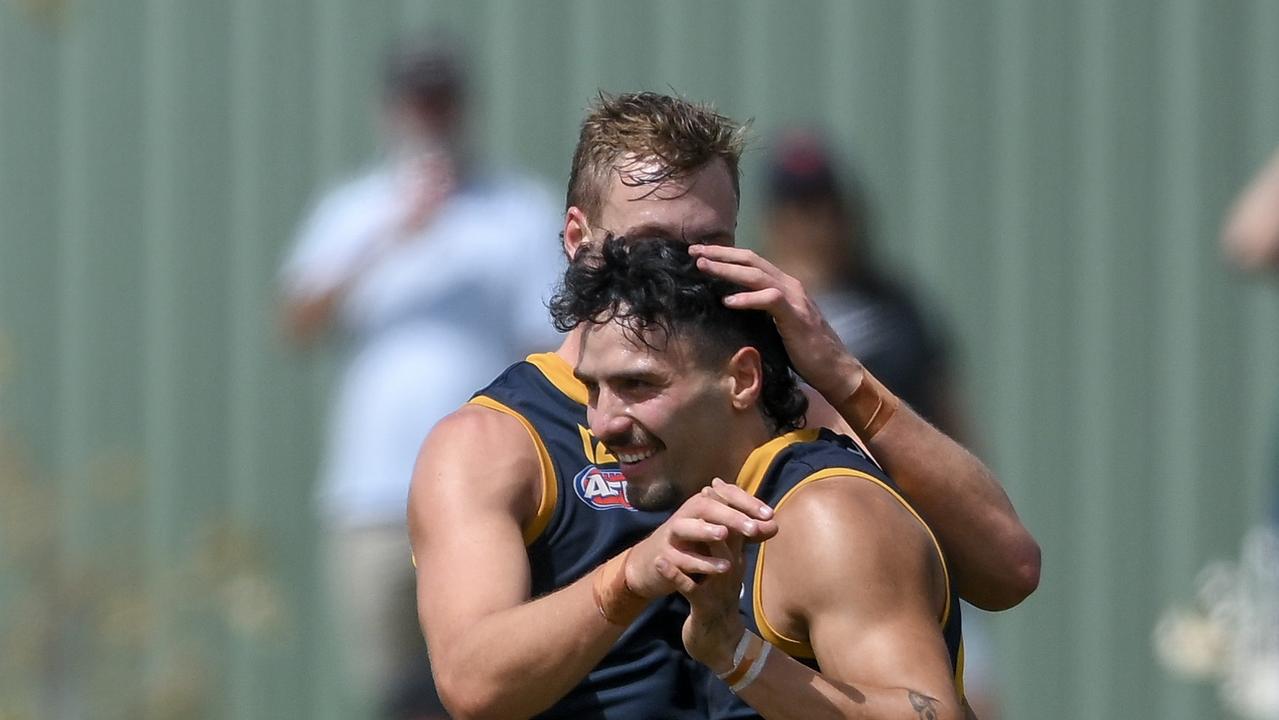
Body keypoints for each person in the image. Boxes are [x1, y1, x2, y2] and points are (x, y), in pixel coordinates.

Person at [409, 92, 1039, 720]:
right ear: (579, 241)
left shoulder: (782, 412)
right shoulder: (497, 439)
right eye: (654, 244)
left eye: (711, 245)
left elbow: (1008, 569)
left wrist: (842, 372)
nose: (690, 274)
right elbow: (472, 686)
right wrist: (632, 575)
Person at [556, 235, 972, 719]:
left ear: (742, 380)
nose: (603, 423)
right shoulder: (737, 509)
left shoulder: (822, 516)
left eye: (638, 385)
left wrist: (732, 652)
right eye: (593, 389)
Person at [279, 39, 563, 718]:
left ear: (465, 108)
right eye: (417, 100)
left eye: (442, 99)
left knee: (488, 677)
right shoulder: (353, 209)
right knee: (392, 690)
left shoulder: (518, 209)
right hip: (373, 492)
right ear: (390, 110)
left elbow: (549, 342)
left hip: (484, 489)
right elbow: (297, 321)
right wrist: (389, 235)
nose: (430, 114)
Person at [762, 130, 959, 431]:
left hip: (891, 469)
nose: (814, 225)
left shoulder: (892, 305)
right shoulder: (755, 306)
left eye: (823, 206)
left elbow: (944, 402)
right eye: (799, 209)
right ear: (774, 221)